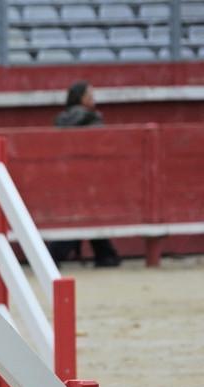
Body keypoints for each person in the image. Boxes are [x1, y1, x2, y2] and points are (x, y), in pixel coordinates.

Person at [50, 81, 121, 267]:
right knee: (88, 214)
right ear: (81, 98)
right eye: (90, 95)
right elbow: (100, 147)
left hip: (65, 176)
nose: (94, 99)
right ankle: (104, 254)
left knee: (76, 216)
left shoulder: (61, 119)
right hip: (90, 179)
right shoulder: (93, 119)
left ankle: (104, 254)